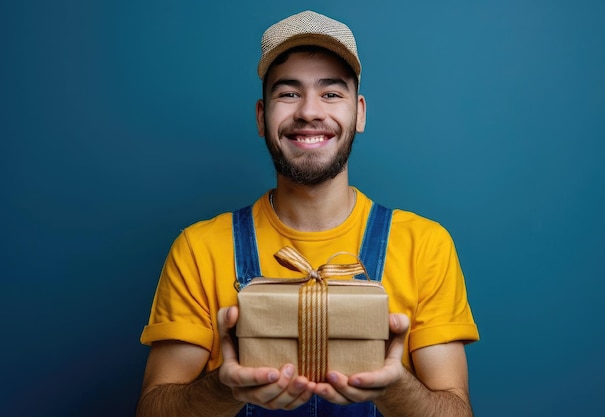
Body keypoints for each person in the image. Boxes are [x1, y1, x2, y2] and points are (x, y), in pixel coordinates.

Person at [136, 10, 479, 417]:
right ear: (263, 117)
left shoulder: (425, 247)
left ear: (360, 112)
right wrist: (223, 390)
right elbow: (151, 409)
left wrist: (395, 389)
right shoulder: (200, 248)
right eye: (289, 93)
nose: (309, 112)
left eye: (331, 93)